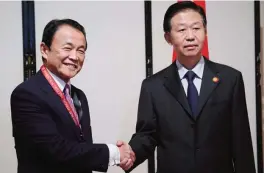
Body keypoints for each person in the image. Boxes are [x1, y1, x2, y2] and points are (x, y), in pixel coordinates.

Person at [120, 1, 256, 173]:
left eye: (196, 28)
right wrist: (131, 153)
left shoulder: (230, 79)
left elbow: (241, 140)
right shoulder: (153, 86)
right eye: (182, 30)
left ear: (205, 32)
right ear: (168, 37)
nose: (190, 36)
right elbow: (146, 135)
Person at [10, 19, 134, 173]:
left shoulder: (78, 96)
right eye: (67, 48)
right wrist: (114, 153)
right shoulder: (27, 94)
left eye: (81, 50)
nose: (75, 57)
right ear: (44, 50)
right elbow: (56, 150)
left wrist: (121, 155)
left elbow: (82, 149)